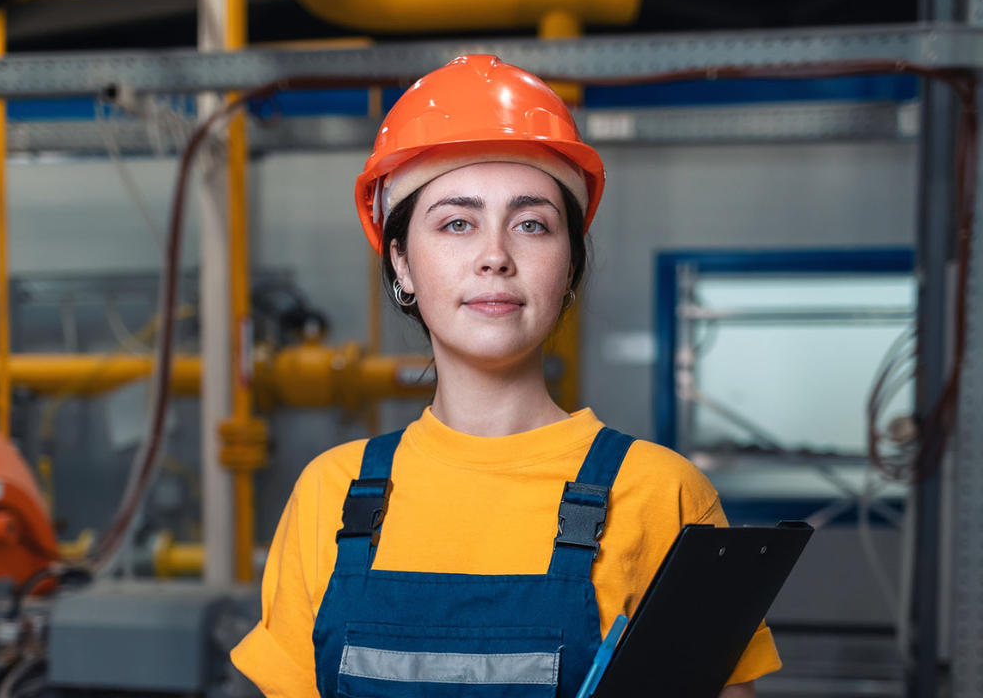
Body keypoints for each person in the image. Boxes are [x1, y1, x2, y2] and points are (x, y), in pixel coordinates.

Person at [230, 55, 780, 698]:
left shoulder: (664, 496)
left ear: (569, 266)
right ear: (401, 262)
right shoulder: (331, 493)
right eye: (457, 223)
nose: (495, 256)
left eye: (531, 224)